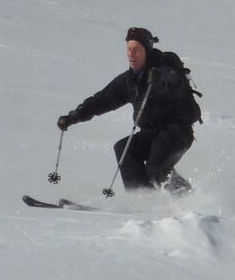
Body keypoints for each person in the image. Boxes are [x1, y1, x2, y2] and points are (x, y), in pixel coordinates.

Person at [57, 28, 201, 194]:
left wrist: (161, 80)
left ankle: (188, 199)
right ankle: (142, 199)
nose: (131, 54)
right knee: (124, 150)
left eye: (137, 50)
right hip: (151, 133)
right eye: (129, 49)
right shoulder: (129, 80)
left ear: (147, 51)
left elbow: (175, 81)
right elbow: (101, 101)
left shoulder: (164, 69)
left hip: (177, 132)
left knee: (156, 169)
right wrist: (73, 117)